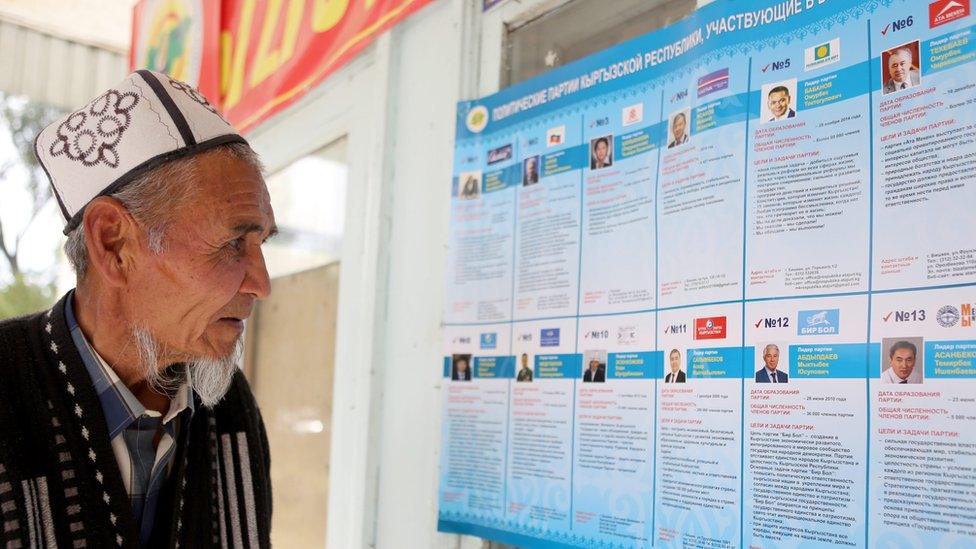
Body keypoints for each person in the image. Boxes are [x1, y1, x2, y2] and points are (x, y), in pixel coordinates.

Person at [0, 71, 273, 547]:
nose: (262, 283)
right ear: (114, 243)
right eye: (233, 243)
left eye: (261, 242)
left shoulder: (228, 407)